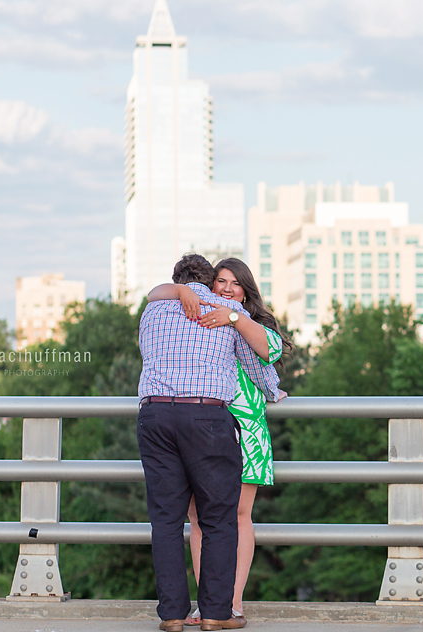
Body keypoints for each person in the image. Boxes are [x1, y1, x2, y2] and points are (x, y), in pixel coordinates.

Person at [147, 257, 291, 624]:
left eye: (234, 283)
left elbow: (153, 297)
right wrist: (273, 388)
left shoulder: (154, 310)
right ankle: (216, 612)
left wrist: (186, 296)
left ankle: (173, 616)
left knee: (167, 521)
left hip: (157, 415)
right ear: (209, 283)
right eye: (220, 282)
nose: (226, 289)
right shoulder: (219, 307)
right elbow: (262, 361)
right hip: (210, 418)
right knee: (217, 519)